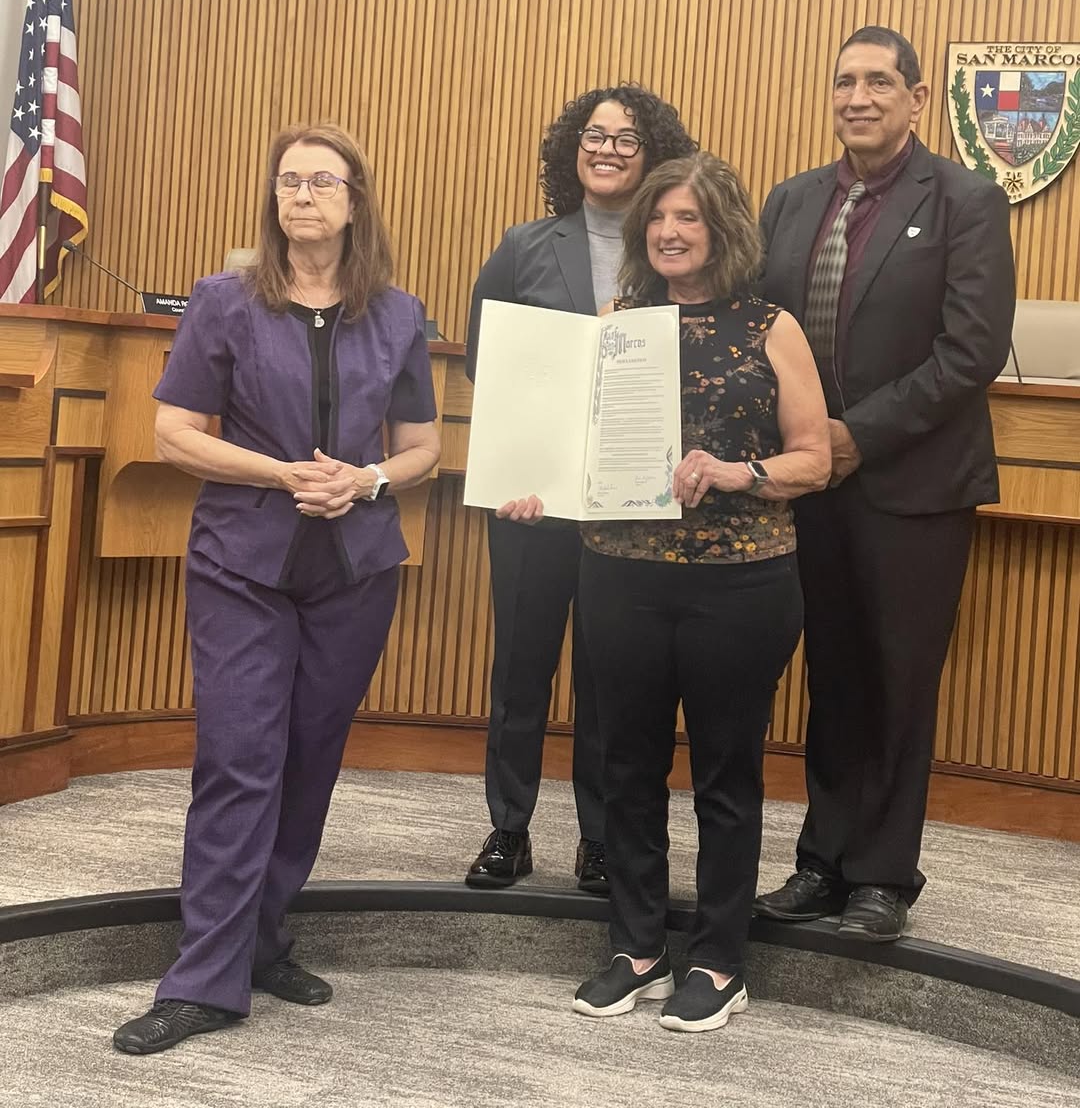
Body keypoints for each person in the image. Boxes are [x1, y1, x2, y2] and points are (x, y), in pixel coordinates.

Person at [113, 123, 440, 1054]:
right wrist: (284, 473)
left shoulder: (399, 314)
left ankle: (261, 941)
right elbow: (176, 433)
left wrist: (364, 481)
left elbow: (422, 447)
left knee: (308, 758)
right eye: (289, 180)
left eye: (322, 181)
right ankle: (203, 982)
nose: (302, 194)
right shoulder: (223, 301)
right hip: (242, 564)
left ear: (355, 201)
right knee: (238, 757)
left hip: (355, 570)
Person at [504, 153, 830, 1032]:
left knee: (726, 772)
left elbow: (816, 459)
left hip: (741, 583)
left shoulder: (770, 326)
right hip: (620, 576)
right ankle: (637, 948)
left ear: (724, 230)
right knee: (627, 767)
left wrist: (735, 471)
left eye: (688, 217)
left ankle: (720, 961)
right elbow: (569, 443)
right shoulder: (617, 324)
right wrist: (534, 484)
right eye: (657, 217)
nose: (669, 232)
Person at [753, 26, 1016, 941]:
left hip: (913, 485)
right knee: (831, 676)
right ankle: (822, 861)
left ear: (915, 99)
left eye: (877, 82)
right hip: (810, 485)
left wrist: (854, 436)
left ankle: (883, 876)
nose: (857, 97)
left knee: (899, 679)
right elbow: (758, 327)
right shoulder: (790, 201)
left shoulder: (965, 200)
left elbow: (971, 351)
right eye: (844, 82)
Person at [464, 85, 698, 893]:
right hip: (530, 501)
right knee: (520, 667)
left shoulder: (671, 251)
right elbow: (487, 359)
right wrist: (516, 463)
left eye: (627, 139)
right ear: (573, 147)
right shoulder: (524, 245)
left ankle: (601, 837)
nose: (607, 149)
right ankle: (509, 828)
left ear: (653, 154)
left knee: (610, 678)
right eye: (595, 135)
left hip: (628, 505)